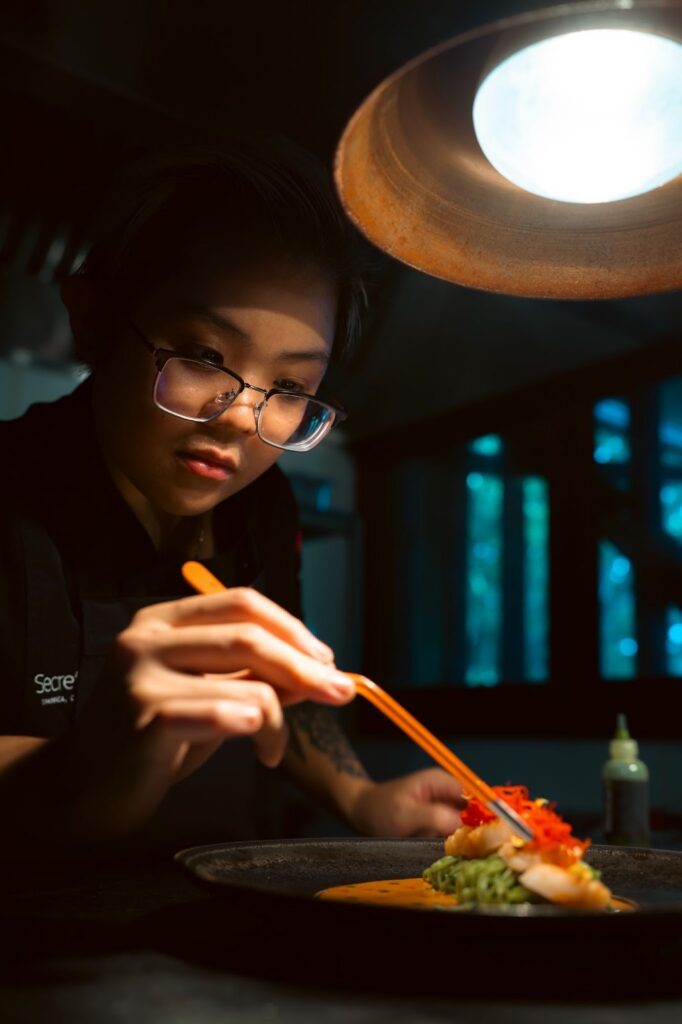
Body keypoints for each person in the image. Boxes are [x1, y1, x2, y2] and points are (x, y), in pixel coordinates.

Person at [0, 135, 462, 862]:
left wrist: (364, 797)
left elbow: (288, 691)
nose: (241, 418)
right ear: (92, 320)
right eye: (204, 356)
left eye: (288, 389)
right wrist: (88, 773)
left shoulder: (260, 505)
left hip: (212, 916)